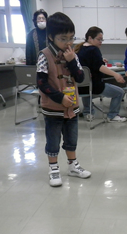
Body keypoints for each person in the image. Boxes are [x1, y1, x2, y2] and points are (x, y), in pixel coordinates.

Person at [36, 12, 91, 187]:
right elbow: (41, 83)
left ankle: (73, 166)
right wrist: (60, 98)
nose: (68, 43)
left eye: (71, 38)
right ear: (51, 37)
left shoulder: (72, 54)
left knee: (71, 138)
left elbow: (81, 77)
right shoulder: (44, 55)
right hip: (53, 108)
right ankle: (53, 168)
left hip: (71, 107)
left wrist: (72, 62)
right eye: (63, 38)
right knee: (53, 140)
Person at [75, 26, 126, 122]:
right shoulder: (94, 50)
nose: (101, 42)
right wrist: (115, 75)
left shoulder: (80, 49)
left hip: (80, 87)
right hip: (95, 86)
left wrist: (100, 60)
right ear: (90, 38)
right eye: (98, 39)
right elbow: (100, 67)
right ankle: (113, 115)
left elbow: (88, 64)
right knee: (120, 92)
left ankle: (88, 112)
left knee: (88, 90)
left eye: (102, 39)